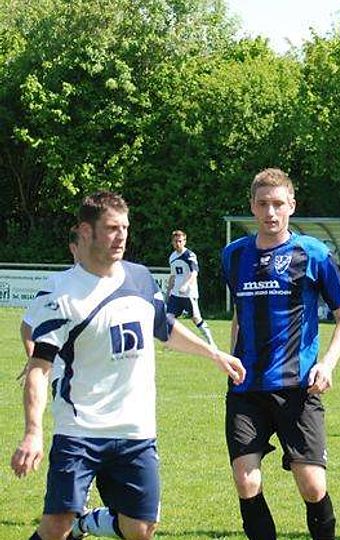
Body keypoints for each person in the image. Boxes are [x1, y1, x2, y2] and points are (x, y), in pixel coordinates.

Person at [11, 191, 245, 540]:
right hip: (80, 430)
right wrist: (33, 432)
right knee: (56, 526)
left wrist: (214, 353)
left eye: (125, 227)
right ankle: (73, 524)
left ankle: (85, 524)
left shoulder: (140, 278)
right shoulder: (61, 294)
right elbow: (39, 368)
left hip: (136, 430)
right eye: (111, 228)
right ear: (86, 231)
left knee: (141, 528)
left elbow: (164, 328)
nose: (121, 236)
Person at [222, 168, 340, 540]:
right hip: (246, 388)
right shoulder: (234, 255)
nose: (271, 212)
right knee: (246, 480)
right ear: (252, 206)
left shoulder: (313, 253)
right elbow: (240, 314)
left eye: (278, 204)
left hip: (298, 387)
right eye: (263, 204)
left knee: (312, 485)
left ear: (292, 206)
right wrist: (231, 358)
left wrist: (327, 364)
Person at [18, 227, 80, 382]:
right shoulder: (56, 284)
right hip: (64, 375)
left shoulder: (109, 283)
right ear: (73, 248)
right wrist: (34, 360)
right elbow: (27, 324)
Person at [166, 229, 216, 347]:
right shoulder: (172, 257)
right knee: (168, 317)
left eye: (180, 241)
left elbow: (194, 273)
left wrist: (186, 285)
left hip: (189, 294)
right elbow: (173, 275)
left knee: (196, 318)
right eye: (175, 241)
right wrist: (168, 291)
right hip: (176, 294)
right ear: (172, 242)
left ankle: (211, 342)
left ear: (185, 241)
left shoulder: (190, 255)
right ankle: (171, 343)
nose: (178, 244)